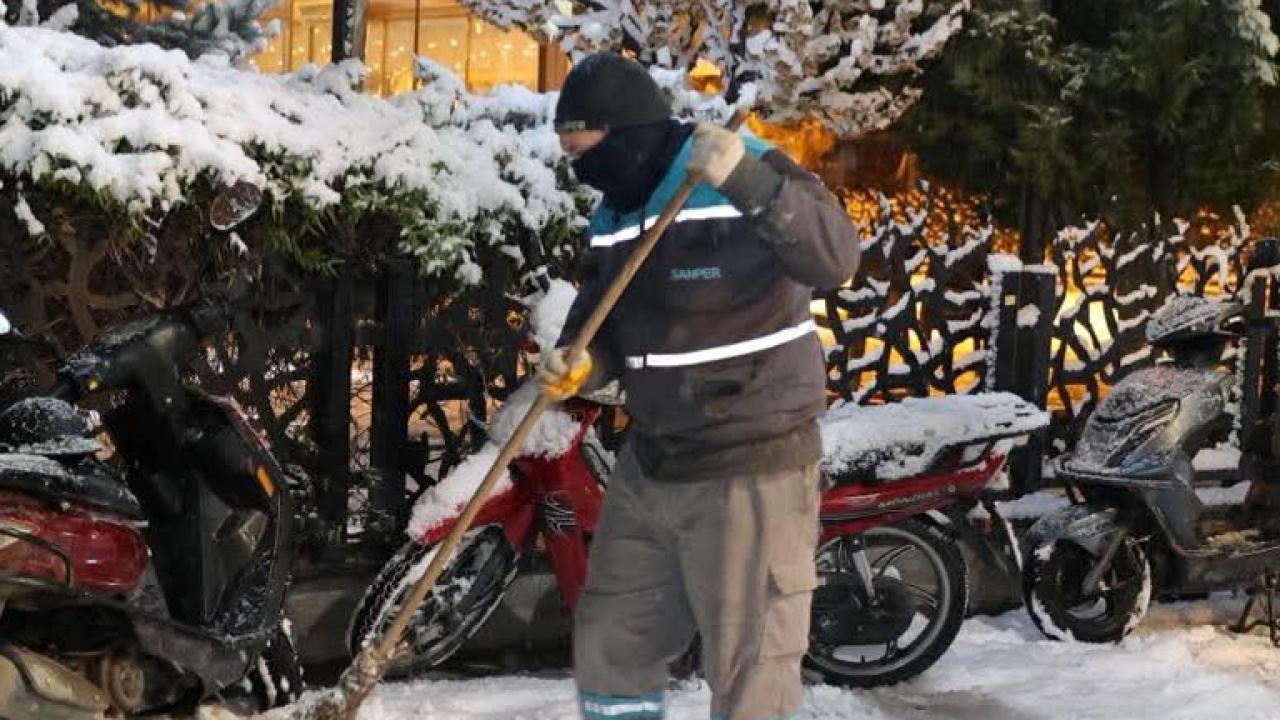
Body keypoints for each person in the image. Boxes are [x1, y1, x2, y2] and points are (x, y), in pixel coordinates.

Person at [541, 52, 861, 720]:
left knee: (751, 667)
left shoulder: (739, 170)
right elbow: (603, 322)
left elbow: (834, 257)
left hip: (752, 459)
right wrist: (584, 364)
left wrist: (747, 179)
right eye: (571, 156)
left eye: (587, 151)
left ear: (626, 133)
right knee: (613, 642)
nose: (583, 169)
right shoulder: (615, 214)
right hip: (655, 458)